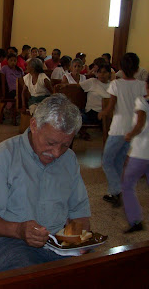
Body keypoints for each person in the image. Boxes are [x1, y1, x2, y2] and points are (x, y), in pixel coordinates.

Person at [0, 94, 90, 272]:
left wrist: (76, 242)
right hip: (11, 242)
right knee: (26, 278)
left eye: (65, 145)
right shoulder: (1, 158)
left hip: (59, 241)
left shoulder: (69, 159)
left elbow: (79, 211)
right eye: (51, 143)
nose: (57, 153)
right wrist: (19, 230)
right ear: (34, 125)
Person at [98, 53, 147, 207]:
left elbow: (111, 107)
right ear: (137, 68)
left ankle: (116, 190)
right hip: (133, 129)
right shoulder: (141, 85)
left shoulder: (116, 84)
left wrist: (102, 113)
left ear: (120, 68)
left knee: (106, 161)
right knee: (119, 161)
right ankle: (117, 192)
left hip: (118, 128)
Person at [122, 77, 149, 233]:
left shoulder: (142, 102)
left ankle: (136, 220)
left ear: (146, 85)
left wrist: (129, 135)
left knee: (127, 185)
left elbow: (140, 123)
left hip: (141, 152)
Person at [60, 63, 111, 141]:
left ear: (109, 74)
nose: (102, 74)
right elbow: (76, 86)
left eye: (105, 72)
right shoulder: (92, 82)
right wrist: (66, 86)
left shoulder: (112, 85)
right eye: (100, 72)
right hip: (93, 111)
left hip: (107, 111)